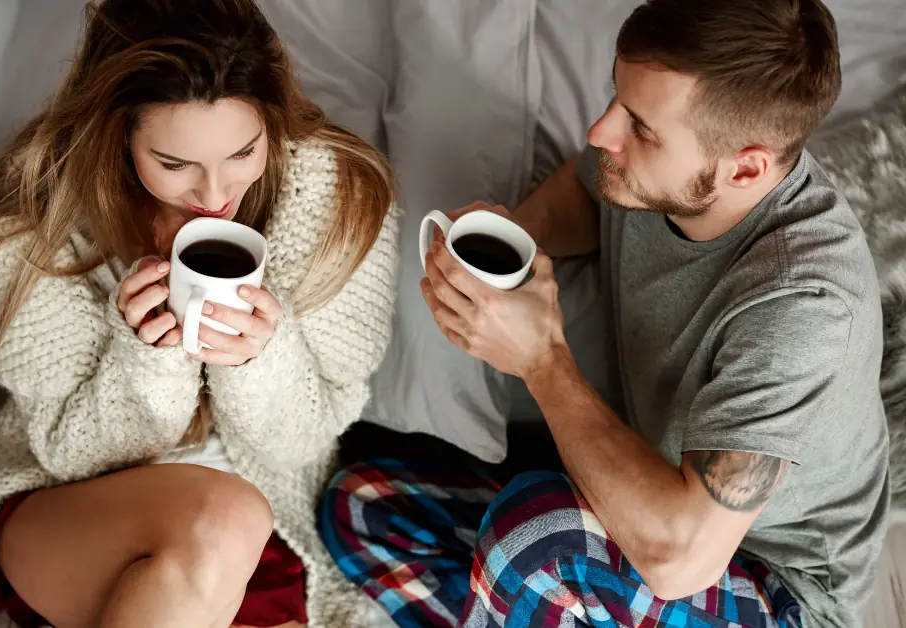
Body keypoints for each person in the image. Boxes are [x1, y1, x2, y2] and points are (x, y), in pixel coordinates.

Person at [319, 1, 888, 627]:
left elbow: (680, 563)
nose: (600, 132)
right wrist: (514, 242)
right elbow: (588, 189)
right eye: (615, 99)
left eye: (640, 127)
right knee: (364, 505)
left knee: (540, 542)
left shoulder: (801, 310)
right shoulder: (657, 171)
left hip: (771, 589)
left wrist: (540, 357)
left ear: (746, 167)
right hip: (635, 521)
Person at [0, 1, 399, 627]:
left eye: (243, 152)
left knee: (228, 532)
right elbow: (74, 456)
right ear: (118, 134)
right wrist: (148, 356)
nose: (214, 196)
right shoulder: (28, 222)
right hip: (71, 503)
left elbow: (303, 440)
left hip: (272, 522)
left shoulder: (340, 200)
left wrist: (262, 356)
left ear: (272, 119)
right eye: (175, 165)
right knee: (224, 517)